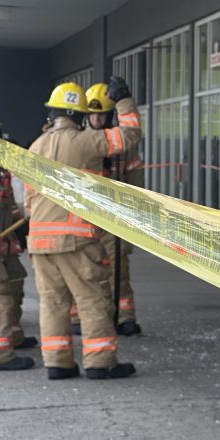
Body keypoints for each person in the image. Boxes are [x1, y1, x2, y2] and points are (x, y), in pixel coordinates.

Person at [26, 79, 142, 380]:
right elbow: (129, 135)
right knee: (92, 300)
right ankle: (100, 362)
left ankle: (58, 363)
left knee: (53, 304)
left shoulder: (35, 147)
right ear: (77, 115)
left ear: (52, 113)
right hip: (75, 240)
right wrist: (124, 101)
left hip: (40, 242)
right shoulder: (85, 143)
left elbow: (28, 198)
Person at [84, 81, 145, 336]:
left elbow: (135, 182)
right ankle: (80, 318)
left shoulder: (122, 146)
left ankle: (124, 316)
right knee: (85, 271)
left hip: (113, 217)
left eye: (102, 114)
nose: (97, 120)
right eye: (92, 114)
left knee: (118, 270)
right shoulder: (81, 141)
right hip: (85, 217)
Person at [0, 111, 34, 371]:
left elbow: (6, 202)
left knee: (15, 281)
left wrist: (18, 229)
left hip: (4, 239)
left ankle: (13, 336)